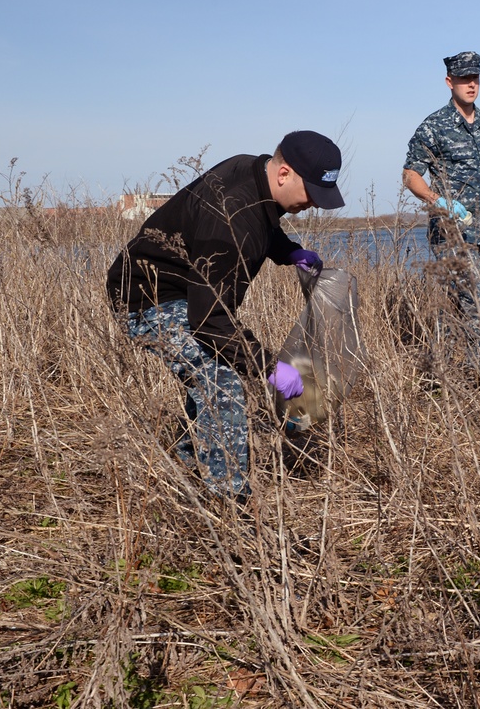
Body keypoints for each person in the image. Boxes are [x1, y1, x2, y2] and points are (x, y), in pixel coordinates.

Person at [106, 130, 343, 502]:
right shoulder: (233, 216)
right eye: (311, 191)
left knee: (210, 370)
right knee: (220, 380)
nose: (313, 202)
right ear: (284, 173)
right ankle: (230, 506)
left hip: (186, 293)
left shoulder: (253, 170)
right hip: (146, 297)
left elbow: (262, 218)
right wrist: (271, 369)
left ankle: (185, 470)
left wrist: (288, 251)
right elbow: (209, 320)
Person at [402, 51, 480, 364]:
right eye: (463, 79)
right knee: (475, 301)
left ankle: (438, 370)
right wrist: (436, 201)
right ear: (449, 82)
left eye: (475, 78)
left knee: (463, 305)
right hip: (451, 232)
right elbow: (410, 175)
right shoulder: (434, 126)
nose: (471, 84)